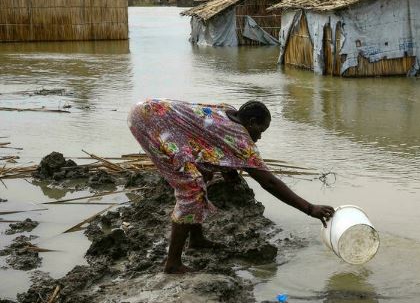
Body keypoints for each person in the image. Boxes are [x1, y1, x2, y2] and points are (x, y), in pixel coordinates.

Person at [128, 98, 334, 274]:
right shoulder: (240, 139)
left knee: (203, 175)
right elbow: (269, 182)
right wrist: (309, 208)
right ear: (251, 122)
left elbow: (214, 140)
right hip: (149, 122)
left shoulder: (229, 111)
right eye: (260, 131)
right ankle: (173, 264)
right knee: (191, 190)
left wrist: (230, 170)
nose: (259, 137)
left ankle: (197, 239)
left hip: (150, 110)